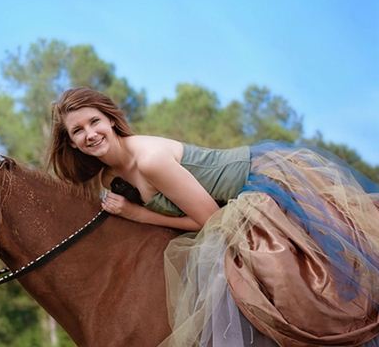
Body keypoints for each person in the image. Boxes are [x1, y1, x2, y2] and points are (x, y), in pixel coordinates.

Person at [48, 87, 379, 347]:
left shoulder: (149, 160)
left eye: (94, 122)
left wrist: (139, 215)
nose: (89, 134)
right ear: (73, 144)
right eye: (77, 131)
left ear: (110, 121)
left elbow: (211, 219)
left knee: (293, 290)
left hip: (256, 188)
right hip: (223, 212)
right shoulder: (110, 178)